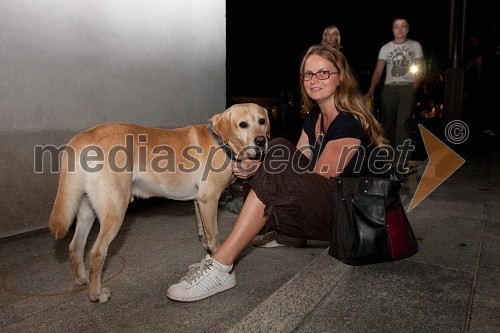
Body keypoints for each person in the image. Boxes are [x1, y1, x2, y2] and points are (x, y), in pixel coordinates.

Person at [166, 44, 388, 302]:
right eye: (308, 74)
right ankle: (290, 234)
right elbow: (297, 163)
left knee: (275, 154)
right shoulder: (314, 118)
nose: (314, 80)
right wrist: (259, 168)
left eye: (323, 73)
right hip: (331, 208)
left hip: (352, 224)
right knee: (277, 151)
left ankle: (221, 266)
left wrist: (264, 171)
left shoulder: (347, 123)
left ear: (340, 79)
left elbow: (317, 179)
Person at [365, 15, 425, 161]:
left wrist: (415, 85)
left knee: (403, 123)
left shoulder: (415, 45)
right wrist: (371, 89)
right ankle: (388, 159)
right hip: (389, 89)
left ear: (408, 29)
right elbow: (378, 70)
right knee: (388, 125)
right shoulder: (386, 48)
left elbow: (421, 66)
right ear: (392, 29)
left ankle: (402, 161)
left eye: (403, 25)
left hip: (407, 88)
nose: (400, 29)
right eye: (396, 26)